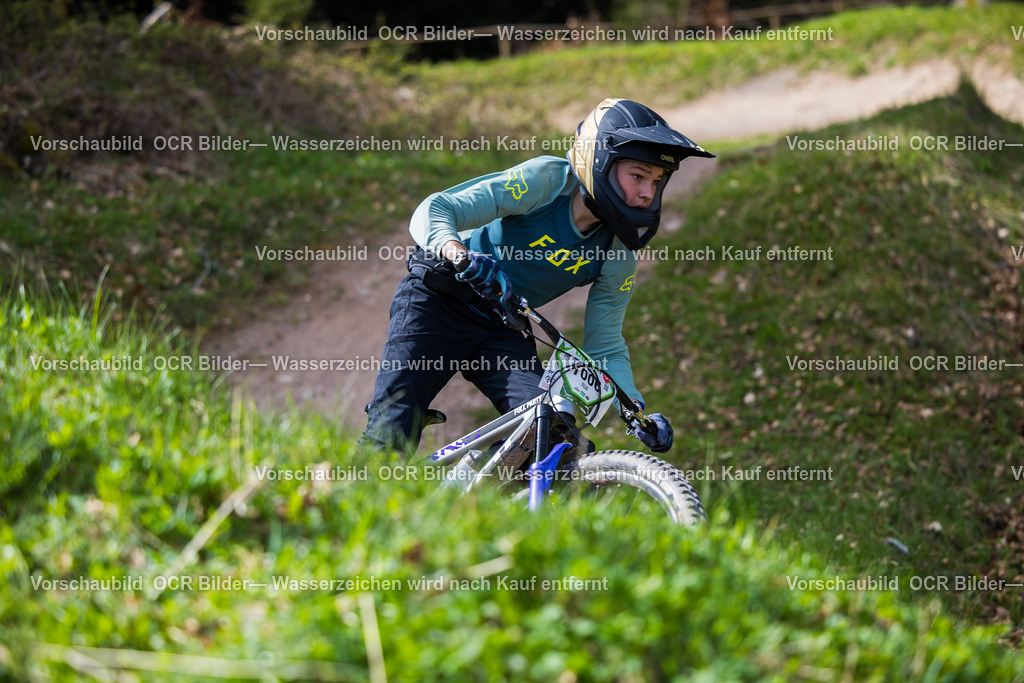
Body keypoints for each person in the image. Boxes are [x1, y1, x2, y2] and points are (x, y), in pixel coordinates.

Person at [361, 97, 714, 453]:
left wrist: (635, 410)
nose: (646, 193)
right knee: (391, 430)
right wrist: (460, 254)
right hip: (437, 297)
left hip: (501, 323)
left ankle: (485, 493)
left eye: (656, 181)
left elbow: (604, 344)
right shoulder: (547, 182)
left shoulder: (618, 252)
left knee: (552, 434)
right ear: (599, 162)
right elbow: (436, 208)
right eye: (637, 176)